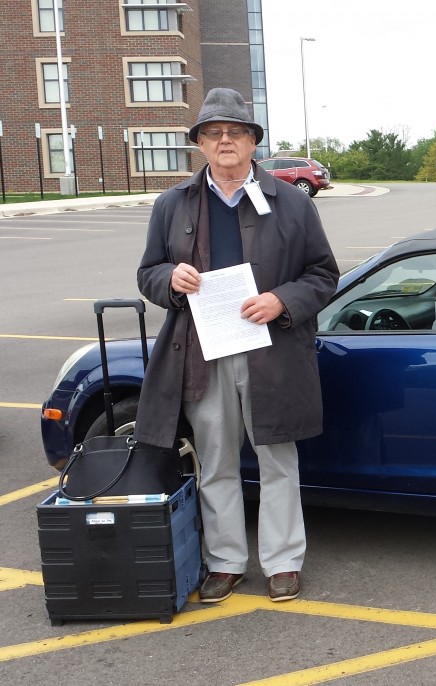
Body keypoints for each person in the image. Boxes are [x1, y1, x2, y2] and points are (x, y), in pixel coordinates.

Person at [134, 88, 340, 603]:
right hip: (203, 352)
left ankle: (283, 561)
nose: (224, 141)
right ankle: (225, 562)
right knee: (216, 460)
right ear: (199, 144)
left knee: (277, 459)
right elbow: (147, 272)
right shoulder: (172, 204)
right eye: (213, 133)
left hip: (271, 351)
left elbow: (323, 274)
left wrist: (281, 301)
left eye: (235, 132)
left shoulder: (291, 201)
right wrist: (168, 278)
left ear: (253, 142)